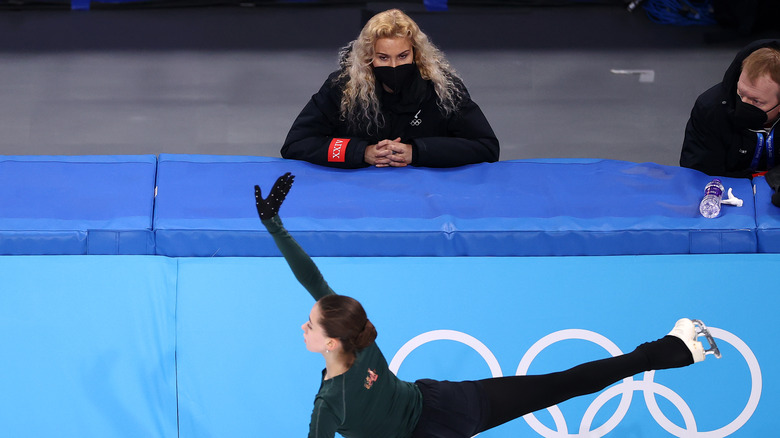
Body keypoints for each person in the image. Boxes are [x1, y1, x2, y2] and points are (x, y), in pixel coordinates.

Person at [255, 173, 721, 438]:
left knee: (561, 385)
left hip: (442, 410)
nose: (304, 327)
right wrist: (275, 227)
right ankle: (674, 349)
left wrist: (276, 227)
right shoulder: (363, 342)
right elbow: (314, 281)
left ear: (331, 341)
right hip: (451, 402)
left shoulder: (328, 404)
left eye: (310, 326)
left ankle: (675, 349)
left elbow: (314, 283)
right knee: (562, 385)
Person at [280, 9, 499, 169]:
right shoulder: (342, 88)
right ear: (368, 58)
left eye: (402, 56)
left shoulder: (443, 89)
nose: (394, 66)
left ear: (416, 54)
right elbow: (297, 144)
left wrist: (417, 151)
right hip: (356, 198)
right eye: (383, 57)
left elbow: (486, 147)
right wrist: (360, 152)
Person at [680, 39, 780, 178]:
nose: (743, 103)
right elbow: (700, 173)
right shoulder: (710, 109)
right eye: (741, 92)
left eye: (756, 101)